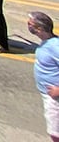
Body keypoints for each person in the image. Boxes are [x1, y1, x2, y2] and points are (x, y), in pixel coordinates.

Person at [29, 11, 59, 142]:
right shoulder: (48, 43)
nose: (28, 26)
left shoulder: (54, 46)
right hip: (49, 96)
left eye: (30, 24)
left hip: (55, 98)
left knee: (55, 132)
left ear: (40, 29)